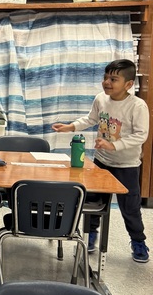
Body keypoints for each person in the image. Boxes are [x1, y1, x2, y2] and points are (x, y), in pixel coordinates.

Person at [53, 59, 149, 264]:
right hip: (102, 161)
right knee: (93, 202)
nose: (106, 82)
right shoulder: (101, 99)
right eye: (105, 77)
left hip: (127, 166)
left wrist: (115, 145)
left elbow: (141, 135)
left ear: (128, 84)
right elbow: (90, 119)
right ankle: (91, 236)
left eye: (113, 79)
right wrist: (70, 127)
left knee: (130, 207)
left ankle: (138, 241)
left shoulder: (137, 106)